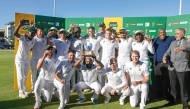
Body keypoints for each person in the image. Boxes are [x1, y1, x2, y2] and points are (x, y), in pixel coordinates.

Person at [163, 28, 190, 109]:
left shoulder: (187, 42)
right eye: (175, 33)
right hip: (172, 67)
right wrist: (164, 57)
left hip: (183, 67)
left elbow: (189, 47)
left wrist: (182, 48)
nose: (176, 35)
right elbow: (168, 51)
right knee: (173, 85)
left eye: (177, 33)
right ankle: (172, 100)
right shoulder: (173, 42)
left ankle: (185, 104)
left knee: (183, 87)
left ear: (183, 34)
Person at [14, 18, 36, 98]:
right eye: (31, 32)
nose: (32, 34)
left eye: (34, 33)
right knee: (20, 76)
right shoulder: (23, 37)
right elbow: (15, 33)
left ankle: (23, 90)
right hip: (19, 59)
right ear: (28, 32)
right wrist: (19, 24)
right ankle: (21, 92)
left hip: (27, 59)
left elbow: (30, 49)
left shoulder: (33, 41)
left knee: (25, 76)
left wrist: (32, 26)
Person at [152, 29, 175, 101]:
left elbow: (178, 37)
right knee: (158, 81)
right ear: (158, 34)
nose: (162, 34)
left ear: (166, 33)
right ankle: (160, 96)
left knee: (168, 81)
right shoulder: (155, 40)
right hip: (157, 64)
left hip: (167, 64)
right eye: (161, 33)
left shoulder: (170, 38)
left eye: (164, 32)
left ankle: (169, 96)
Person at [30, 27, 47, 93]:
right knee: (33, 74)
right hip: (34, 58)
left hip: (42, 59)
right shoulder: (33, 39)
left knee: (42, 74)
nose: (41, 33)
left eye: (42, 31)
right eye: (40, 31)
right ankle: (33, 88)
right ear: (37, 32)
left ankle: (41, 88)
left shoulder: (44, 39)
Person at [69, 27, 85, 92]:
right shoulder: (71, 38)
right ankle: (73, 87)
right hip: (73, 58)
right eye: (76, 31)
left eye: (79, 31)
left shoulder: (83, 38)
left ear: (80, 32)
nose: (77, 33)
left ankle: (79, 87)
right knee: (72, 74)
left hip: (80, 58)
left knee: (79, 74)